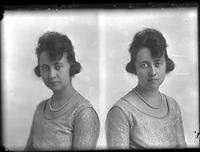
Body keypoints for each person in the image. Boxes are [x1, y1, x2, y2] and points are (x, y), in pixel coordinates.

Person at [106, 28, 187, 149]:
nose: (153, 72)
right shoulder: (120, 112)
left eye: (158, 63)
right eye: (144, 65)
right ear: (135, 68)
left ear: (166, 64)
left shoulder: (172, 105)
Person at [25, 31, 100, 150]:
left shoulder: (83, 113)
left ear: (71, 66)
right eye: (45, 68)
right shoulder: (40, 108)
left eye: (58, 66)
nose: (51, 75)